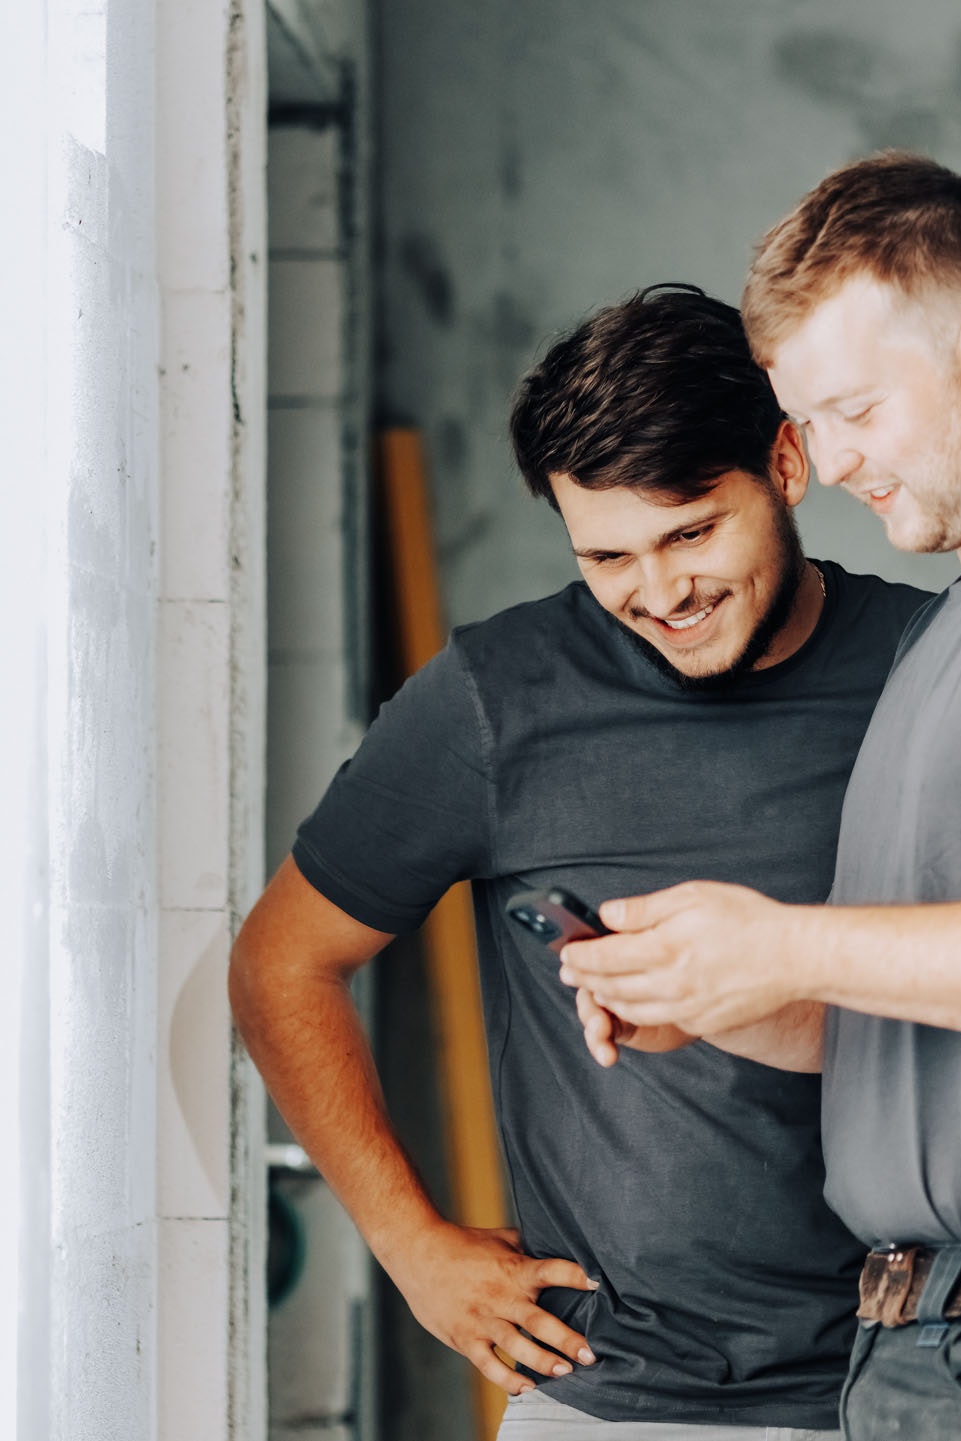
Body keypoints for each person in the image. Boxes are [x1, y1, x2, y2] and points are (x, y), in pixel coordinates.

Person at [229, 284, 927, 1439]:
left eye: (693, 531)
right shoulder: (496, 701)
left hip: (904, 1382)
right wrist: (415, 1249)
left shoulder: (924, 670)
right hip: (609, 1396)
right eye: (609, 556)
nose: (660, 594)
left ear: (786, 466)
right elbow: (279, 963)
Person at [557, 156, 961, 1440]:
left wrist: (781, 939)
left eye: (853, 407)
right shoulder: (941, 638)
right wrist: (740, 1000)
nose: (827, 462)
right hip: (903, 1342)